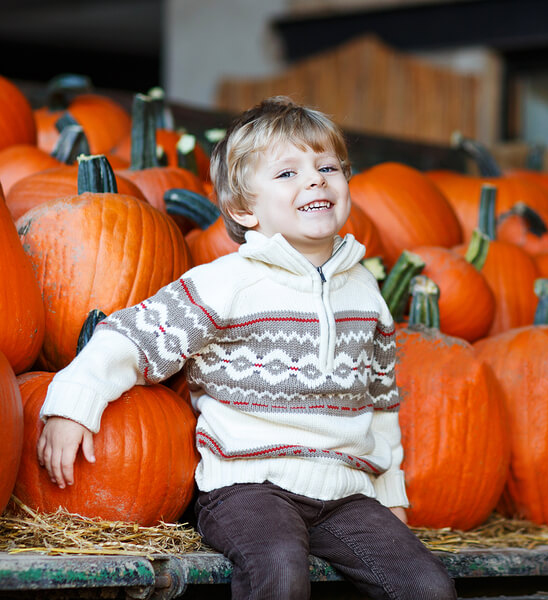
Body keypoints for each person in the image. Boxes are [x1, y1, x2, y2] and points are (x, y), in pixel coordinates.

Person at [35, 96, 458, 600]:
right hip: (246, 486)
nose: (316, 179)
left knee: (427, 585)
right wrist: (73, 404)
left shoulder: (366, 293)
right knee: (278, 570)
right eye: (288, 173)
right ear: (243, 210)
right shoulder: (226, 282)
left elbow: (380, 401)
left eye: (328, 167)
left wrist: (389, 493)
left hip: (345, 495)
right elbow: (135, 335)